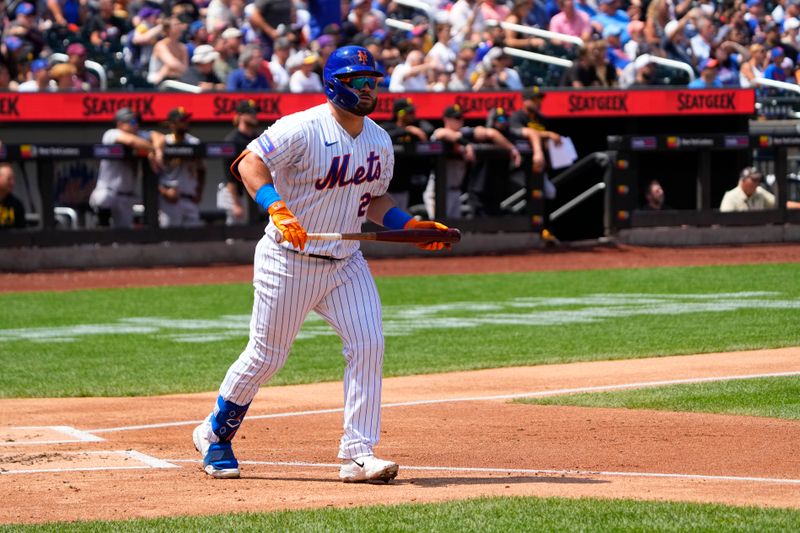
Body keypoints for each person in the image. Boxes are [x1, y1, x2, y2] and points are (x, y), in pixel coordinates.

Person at [192, 45, 452, 482]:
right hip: (287, 259)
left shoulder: (378, 138)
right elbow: (249, 162)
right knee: (266, 356)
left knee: (368, 344)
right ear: (335, 84)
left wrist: (407, 226)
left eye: (373, 82)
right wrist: (275, 206)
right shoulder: (303, 126)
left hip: (346, 261)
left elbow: (374, 199)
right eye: (359, 82)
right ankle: (215, 434)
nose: (369, 89)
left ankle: (357, 454)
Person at [426, 104, 522, 219]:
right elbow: (444, 134)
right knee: (437, 231)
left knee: (452, 233)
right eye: (456, 118)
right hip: (438, 191)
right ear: (446, 119)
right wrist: (466, 144)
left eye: (461, 117)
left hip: (456, 192)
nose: (460, 120)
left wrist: (512, 149)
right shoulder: (439, 133)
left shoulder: (464, 132)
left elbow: (490, 133)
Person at [89, 107, 163, 228]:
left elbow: (158, 136)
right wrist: (151, 149)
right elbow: (131, 142)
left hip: (126, 196)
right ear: (120, 123)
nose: (136, 125)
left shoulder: (139, 136)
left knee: (124, 237)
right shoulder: (111, 133)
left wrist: (157, 150)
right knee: (103, 201)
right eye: (132, 122)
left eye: (137, 122)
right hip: (108, 191)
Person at [380, 97, 434, 211]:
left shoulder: (416, 126)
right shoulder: (387, 127)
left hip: (405, 185)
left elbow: (429, 130)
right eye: (410, 112)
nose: (413, 115)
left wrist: (412, 128)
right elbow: (387, 135)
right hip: (387, 187)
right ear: (400, 114)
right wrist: (406, 130)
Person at [155, 107, 205, 227]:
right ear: (172, 124)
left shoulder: (194, 142)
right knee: (169, 241)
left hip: (190, 198)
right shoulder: (163, 142)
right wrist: (164, 192)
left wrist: (199, 192)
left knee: (193, 241)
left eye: (186, 119)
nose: (186, 122)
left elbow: (202, 169)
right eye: (182, 120)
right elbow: (151, 173)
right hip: (169, 200)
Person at [219, 100, 261, 225]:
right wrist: (236, 203)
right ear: (241, 115)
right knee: (235, 232)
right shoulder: (231, 140)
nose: (254, 115)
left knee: (252, 228)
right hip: (232, 191)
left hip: (250, 190)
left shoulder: (257, 138)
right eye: (250, 112)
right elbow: (229, 175)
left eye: (255, 112)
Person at [0, 163, 26, 229]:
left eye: (13, 179)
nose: (12, 183)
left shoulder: (16, 204)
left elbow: (21, 232)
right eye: (9, 179)